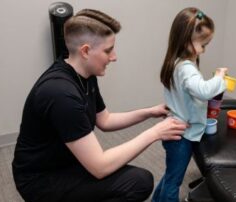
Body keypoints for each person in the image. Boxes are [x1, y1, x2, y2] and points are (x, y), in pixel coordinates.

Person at [12, 9, 188, 202]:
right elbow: (100, 167)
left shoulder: (84, 74)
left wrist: (149, 112)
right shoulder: (61, 95)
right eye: (108, 50)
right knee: (138, 183)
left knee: (139, 180)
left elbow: (105, 120)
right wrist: (155, 133)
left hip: (67, 160)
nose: (114, 57)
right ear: (86, 51)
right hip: (40, 179)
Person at [152, 7, 228, 202]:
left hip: (175, 130)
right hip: (181, 136)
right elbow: (202, 90)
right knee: (174, 182)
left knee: (171, 175)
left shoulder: (176, 62)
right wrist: (220, 78)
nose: (204, 50)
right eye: (203, 45)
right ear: (186, 42)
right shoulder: (186, 68)